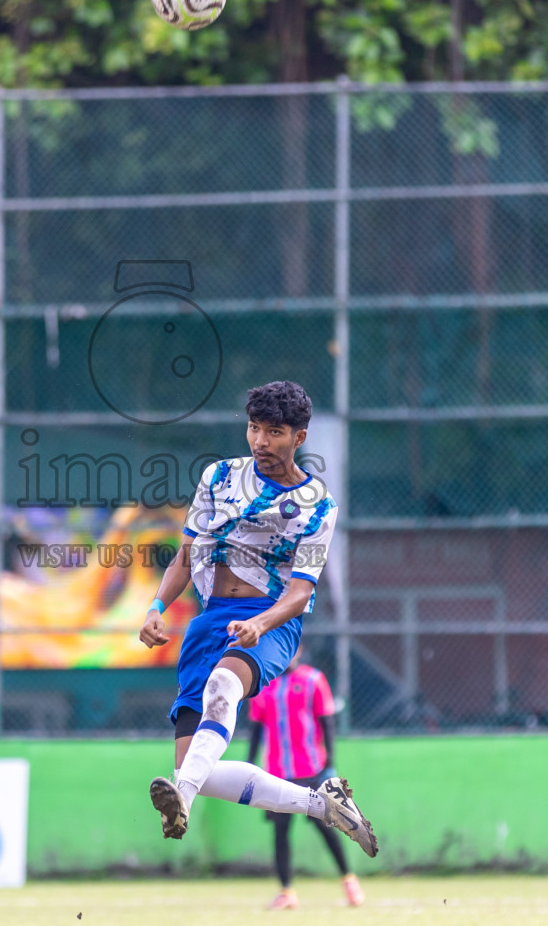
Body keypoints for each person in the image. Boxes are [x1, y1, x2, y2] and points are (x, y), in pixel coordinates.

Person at [139, 380, 377, 857]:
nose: (261, 442)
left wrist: (262, 624)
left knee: (223, 687)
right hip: (211, 623)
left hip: (269, 622)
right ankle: (320, 804)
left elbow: (300, 592)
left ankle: (179, 799)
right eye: (253, 429)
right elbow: (186, 556)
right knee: (194, 767)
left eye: (274, 432)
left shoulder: (317, 506)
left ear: (299, 437)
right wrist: (156, 607)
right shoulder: (218, 477)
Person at [247, 645, 364, 909]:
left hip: (311, 770)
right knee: (280, 832)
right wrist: (249, 765)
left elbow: (327, 722)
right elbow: (255, 729)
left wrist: (330, 762)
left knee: (326, 826)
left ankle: (349, 880)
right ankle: (287, 892)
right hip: (276, 774)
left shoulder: (313, 680)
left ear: (297, 649)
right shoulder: (263, 686)